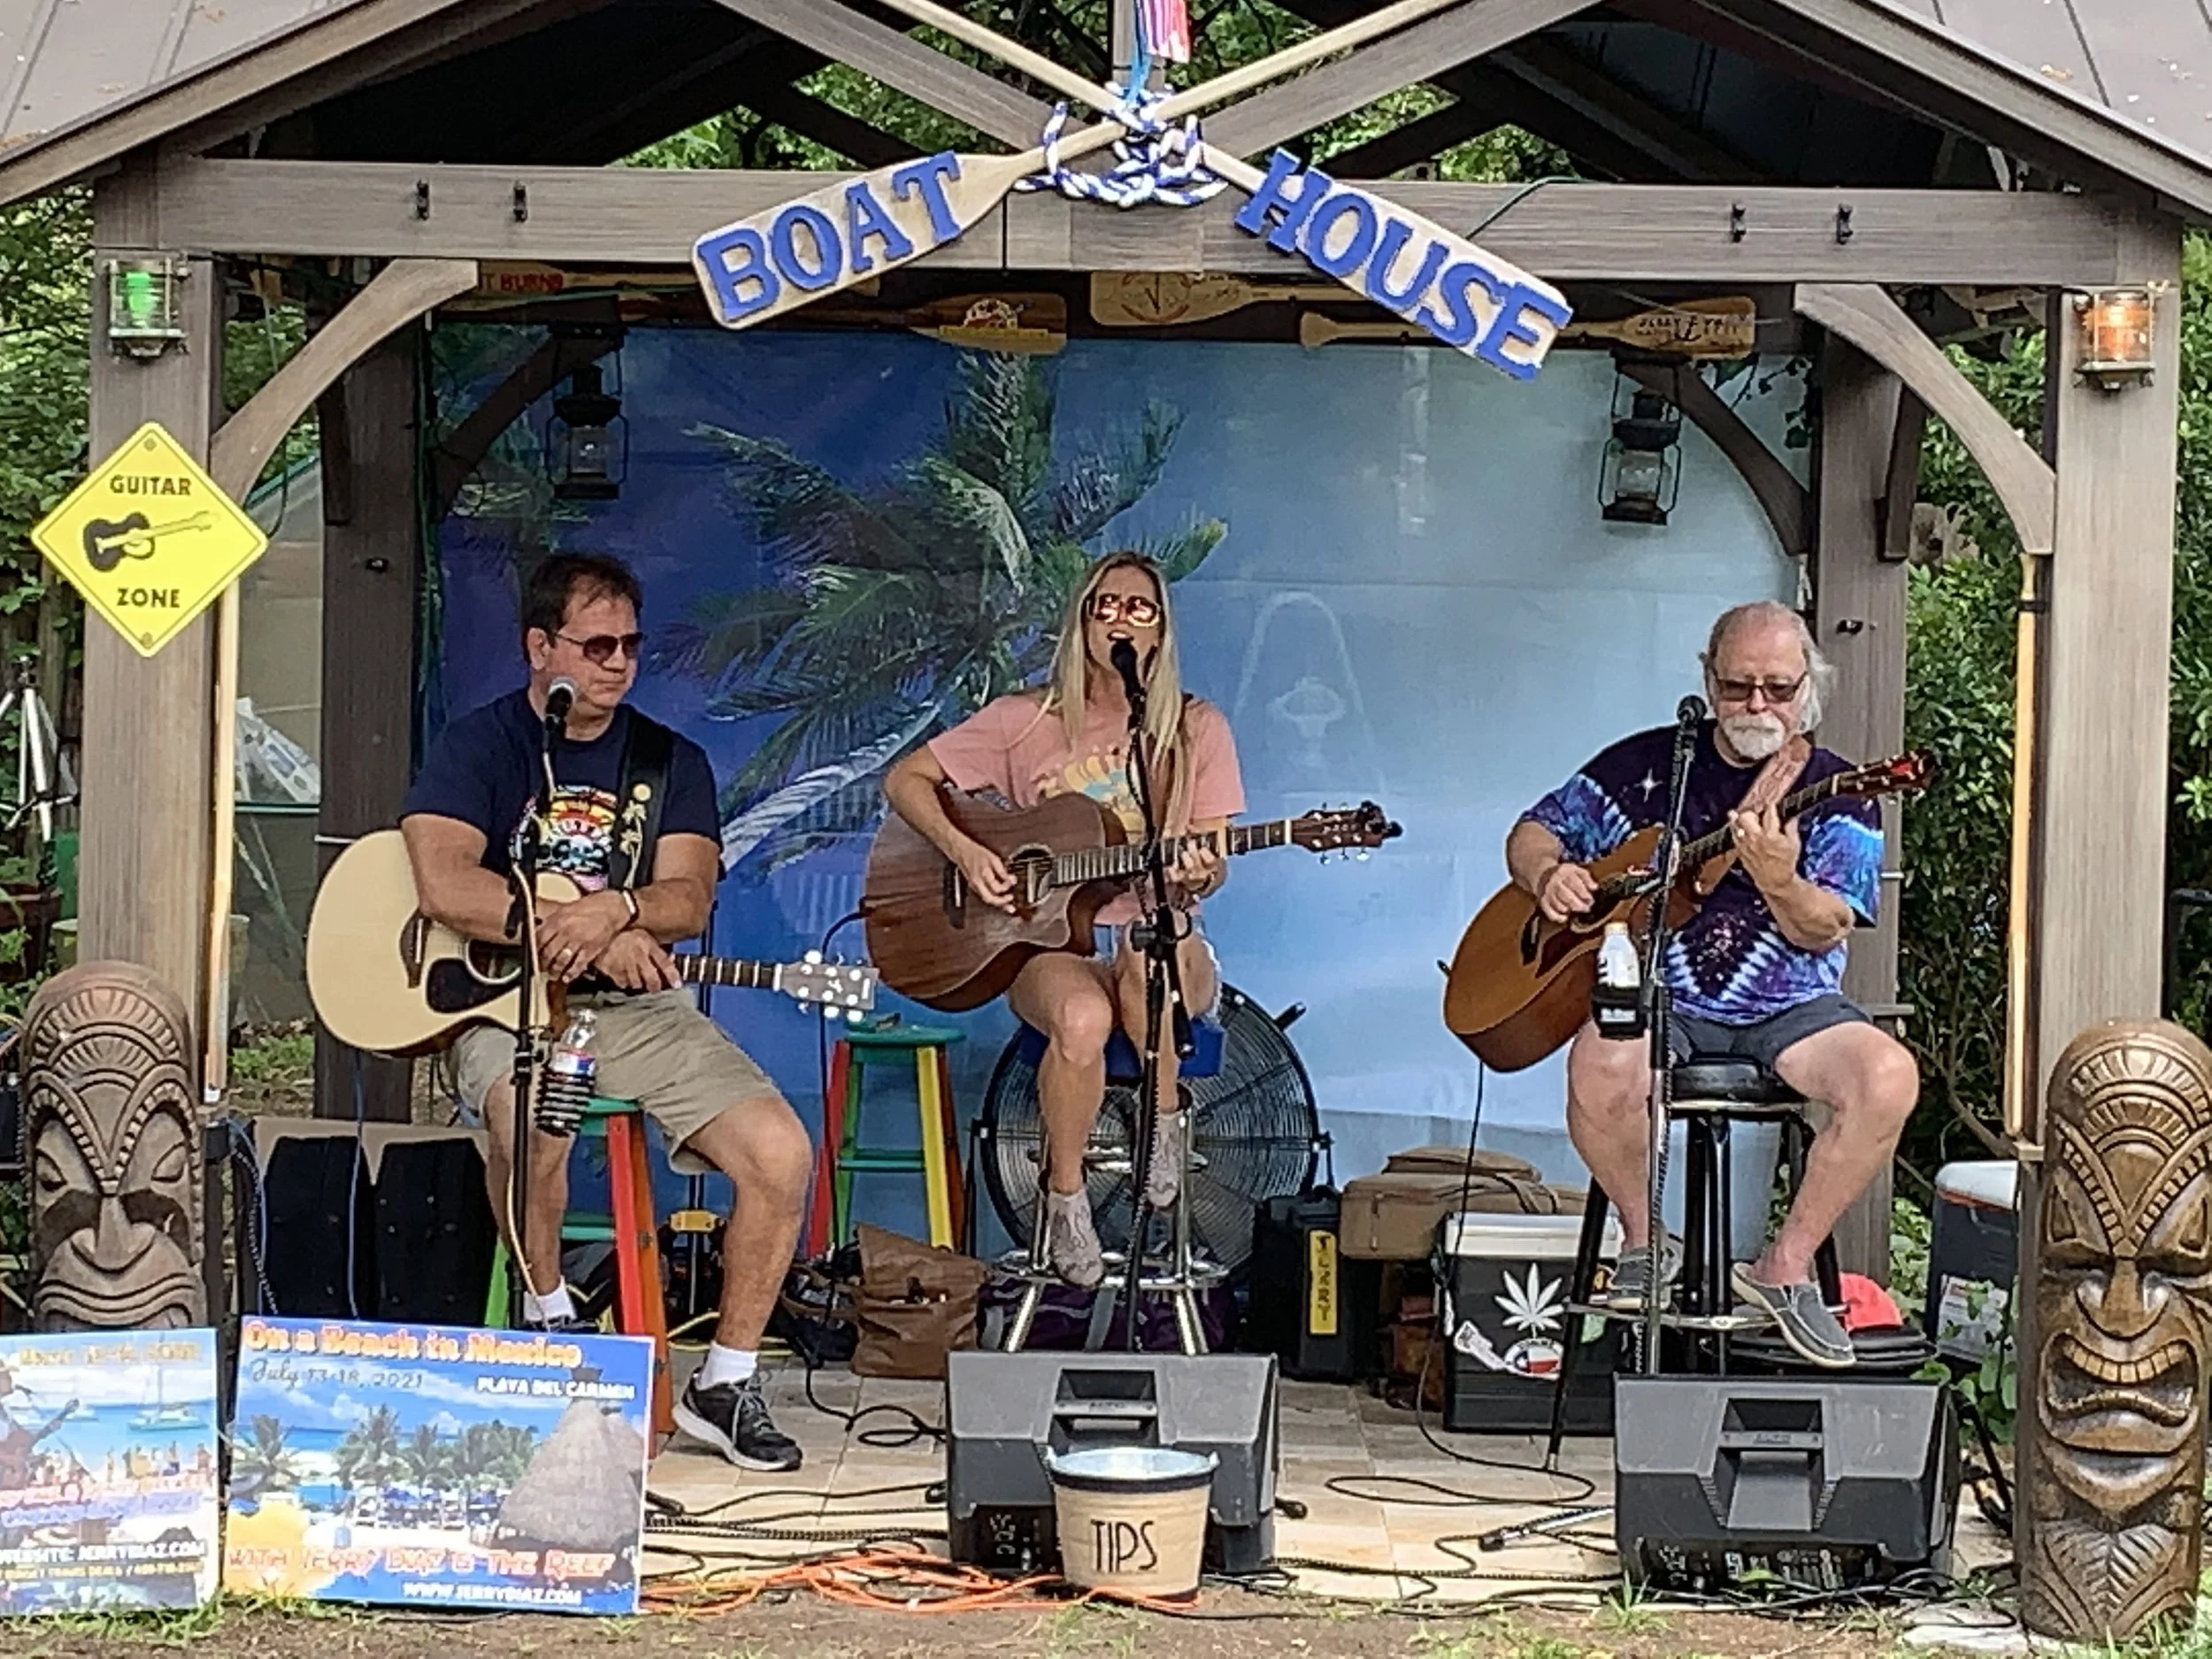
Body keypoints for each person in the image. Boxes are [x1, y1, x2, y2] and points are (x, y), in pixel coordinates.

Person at [400, 552, 812, 1471]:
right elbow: (444, 883)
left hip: (634, 1012)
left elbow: (688, 897)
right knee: (531, 1123)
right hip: (504, 1004)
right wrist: (575, 931)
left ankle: (725, 1383)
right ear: (538, 647)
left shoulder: (670, 760)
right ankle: (549, 1320)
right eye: (595, 646)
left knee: (781, 1154)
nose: (618, 662)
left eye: (629, 644)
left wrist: (618, 911)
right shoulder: (481, 745)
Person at [1504, 599, 1918, 1368]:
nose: (1757, 704)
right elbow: (1532, 830)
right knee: (1598, 1060)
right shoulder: (1647, 768)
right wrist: (1549, 874)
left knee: (1889, 1077)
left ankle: (1783, 1267)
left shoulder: (1840, 788)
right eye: (1737, 686)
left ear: (1808, 689)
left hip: (1793, 1007)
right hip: (1663, 996)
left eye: (1778, 688)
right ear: (1707, 679)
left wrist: (1779, 879)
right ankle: (1644, 1239)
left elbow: (1825, 926)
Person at [883, 552, 1244, 1287]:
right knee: (1081, 1017)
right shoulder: (1024, 720)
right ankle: (1066, 1195)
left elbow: (1214, 856)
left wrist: (1199, 871)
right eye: (1105, 605)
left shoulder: (1196, 727)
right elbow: (905, 778)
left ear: (1161, 630)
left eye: (1139, 608)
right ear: (1081, 622)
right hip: (1050, 944)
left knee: (1150, 952)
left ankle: (1162, 1122)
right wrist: (966, 851)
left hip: (1164, 935)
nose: (1120, 620)